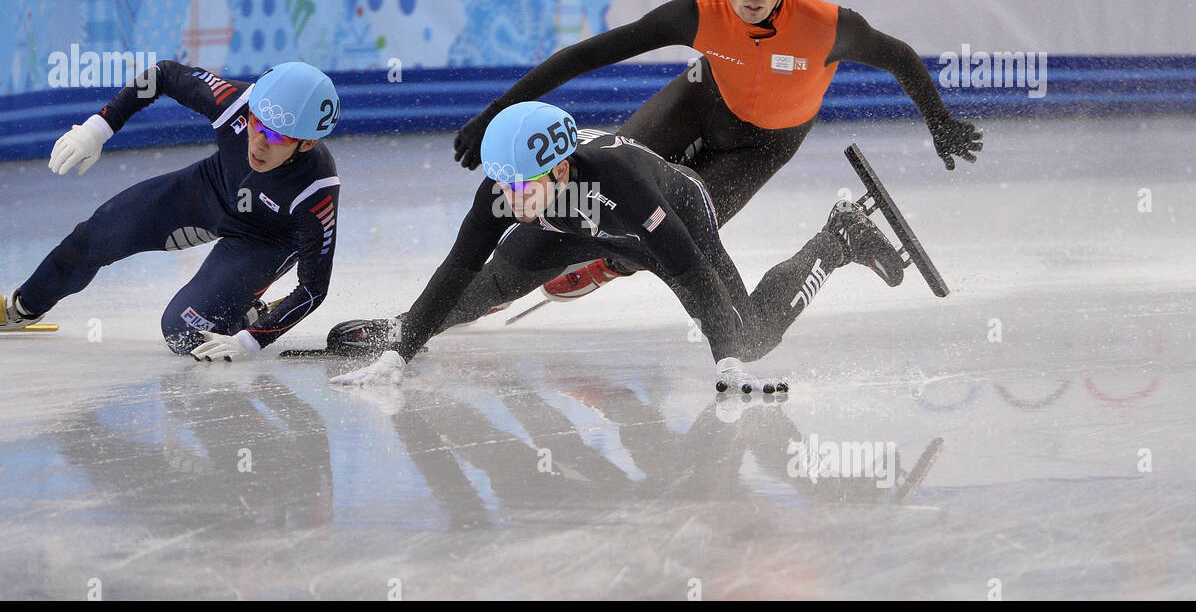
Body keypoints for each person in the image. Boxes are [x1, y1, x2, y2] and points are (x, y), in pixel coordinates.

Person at [447, 0, 981, 305]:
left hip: (764, 143)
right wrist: (496, 111)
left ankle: (836, 237)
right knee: (595, 183)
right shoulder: (698, 13)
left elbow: (901, 57)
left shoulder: (829, 27)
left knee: (671, 230)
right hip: (702, 98)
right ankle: (472, 292)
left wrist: (940, 121)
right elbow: (588, 55)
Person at [327, 101, 906, 390]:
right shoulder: (510, 185)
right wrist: (401, 350)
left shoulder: (616, 177)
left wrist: (725, 360)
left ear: (558, 169)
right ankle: (408, 326)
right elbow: (458, 265)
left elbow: (686, 266)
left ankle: (838, 237)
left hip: (664, 223)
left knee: (752, 338)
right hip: (578, 228)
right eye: (502, 183)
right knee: (487, 286)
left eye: (520, 185)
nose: (507, 195)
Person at [0, 60, 342, 361]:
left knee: (181, 333)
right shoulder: (236, 101)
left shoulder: (317, 190)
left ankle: (245, 315)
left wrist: (250, 342)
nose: (259, 142)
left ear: (306, 144)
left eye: (276, 136)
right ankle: (23, 306)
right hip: (211, 189)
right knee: (93, 236)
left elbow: (313, 288)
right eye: (257, 123)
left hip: (264, 240)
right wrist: (99, 128)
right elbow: (164, 74)